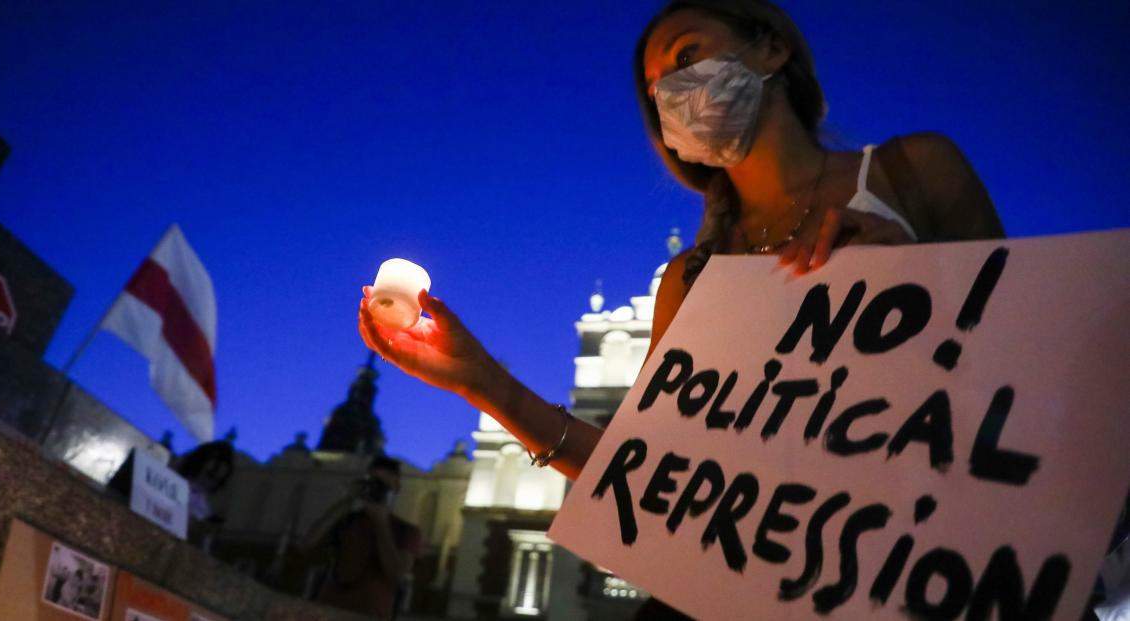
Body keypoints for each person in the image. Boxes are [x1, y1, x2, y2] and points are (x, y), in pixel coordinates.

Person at [358, 0, 1003, 617]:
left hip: (930, 571)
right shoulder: (688, 281)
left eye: (688, 54)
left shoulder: (916, 174)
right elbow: (655, 473)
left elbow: (1035, 366)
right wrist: (481, 381)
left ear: (771, 48)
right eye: (656, 84)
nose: (673, 89)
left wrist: (927, 286)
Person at [311, 455, 421, 620]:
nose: (378, 489)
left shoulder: (406, 530)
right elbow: (307, 544)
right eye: (374, 483)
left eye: (384, 486)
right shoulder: (349, 520)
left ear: (397, 487)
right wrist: (346, 502)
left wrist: (381, 522)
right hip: (328, 611)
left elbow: (397, 574)